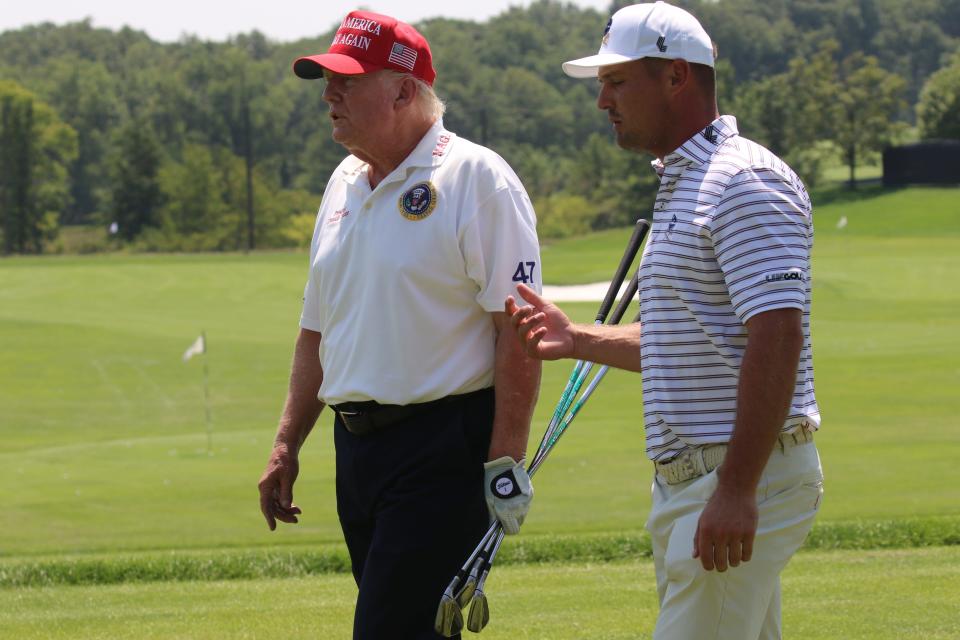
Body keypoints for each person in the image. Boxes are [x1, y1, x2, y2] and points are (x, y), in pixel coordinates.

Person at [506, 3, 824, 639]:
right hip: (700, 482)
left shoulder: (743, 180)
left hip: (738, 476)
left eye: (617, 82)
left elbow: (777, 335)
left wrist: (736, 489)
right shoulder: (687, 182)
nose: (602, 101)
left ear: (677, 77)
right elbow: (685, 338)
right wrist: (578, 339)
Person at [257, 10, 542, 639]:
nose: (330, 95)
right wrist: (287, 444)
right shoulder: (343, 182)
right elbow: (316, 331)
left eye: (348, 81)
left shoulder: (476, 179)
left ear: (404, 91)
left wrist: (504, 460)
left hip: (441, 447)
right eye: (327, 80)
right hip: (356, 450)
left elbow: (517, 332)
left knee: (390, 629)